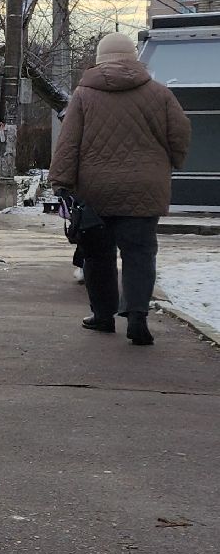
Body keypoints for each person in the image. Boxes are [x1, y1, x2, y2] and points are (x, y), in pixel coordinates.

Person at [51, 32, 191, 346]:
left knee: (97, 255)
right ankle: (137, 316)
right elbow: (181, 132)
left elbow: (68, 142)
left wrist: (61, 181)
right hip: (145, 187)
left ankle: (102, 317)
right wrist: (172, 160)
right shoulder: (159, 93)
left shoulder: (84, 95)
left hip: (95, 188)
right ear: (134, 58)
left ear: (100, 59)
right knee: (140, 252)